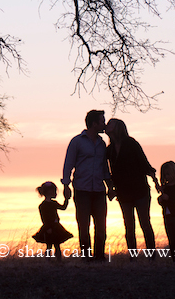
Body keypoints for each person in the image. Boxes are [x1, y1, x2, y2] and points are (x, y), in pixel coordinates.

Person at [61, 109, 114, 261]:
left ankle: (99, 256)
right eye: (102, 121)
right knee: (83, 225)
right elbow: (68, 164)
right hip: (81, 189)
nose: (104, 124)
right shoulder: (77, 141)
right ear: (94, 123)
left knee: (101, 226)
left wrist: (109, 186)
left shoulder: (102, 144)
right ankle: (86, 256)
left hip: (98, 189)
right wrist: (66, 185)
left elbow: (104, 167)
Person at [105, 118, 159, 256]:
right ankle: (133, 257)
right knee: (129, 226)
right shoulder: (109, 150)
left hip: (140, 190)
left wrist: (155, 180)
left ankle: (151, 256)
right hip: (123, 193)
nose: (106, 125)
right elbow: (107, 171)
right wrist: (110, 188)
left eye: (110, 123)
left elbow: (143, 162)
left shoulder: (131, 143)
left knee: (145, 224)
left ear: (118, 127)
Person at [31, 181, 73, 259]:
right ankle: (48, 261)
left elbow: (63, 207)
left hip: (56, 226)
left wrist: (66, 199)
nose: (55, 193)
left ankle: (58, 261)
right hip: (48, 227)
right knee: (49, 245)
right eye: (53, 191)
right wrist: (48, 228)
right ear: (49, 192)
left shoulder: (54, 203)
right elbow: (44, 219)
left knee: (57, 244)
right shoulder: (42, 206)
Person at [158, 160, 175, 259]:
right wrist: (161, 199)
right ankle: (174, 259)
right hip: (167, 215)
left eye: (168, 174)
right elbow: (163, 203)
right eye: (165, 175)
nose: (167, 177)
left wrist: (168, 198)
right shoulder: (165, 188)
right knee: (171, 238)